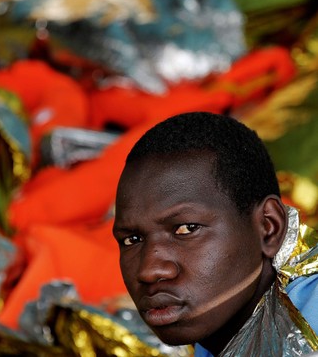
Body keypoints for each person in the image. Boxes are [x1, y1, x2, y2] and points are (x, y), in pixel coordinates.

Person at [113, 111, 318, 356]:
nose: (149, 271)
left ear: (268, 227)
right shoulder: (219, 332)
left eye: (186, 229)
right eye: (132, 240)